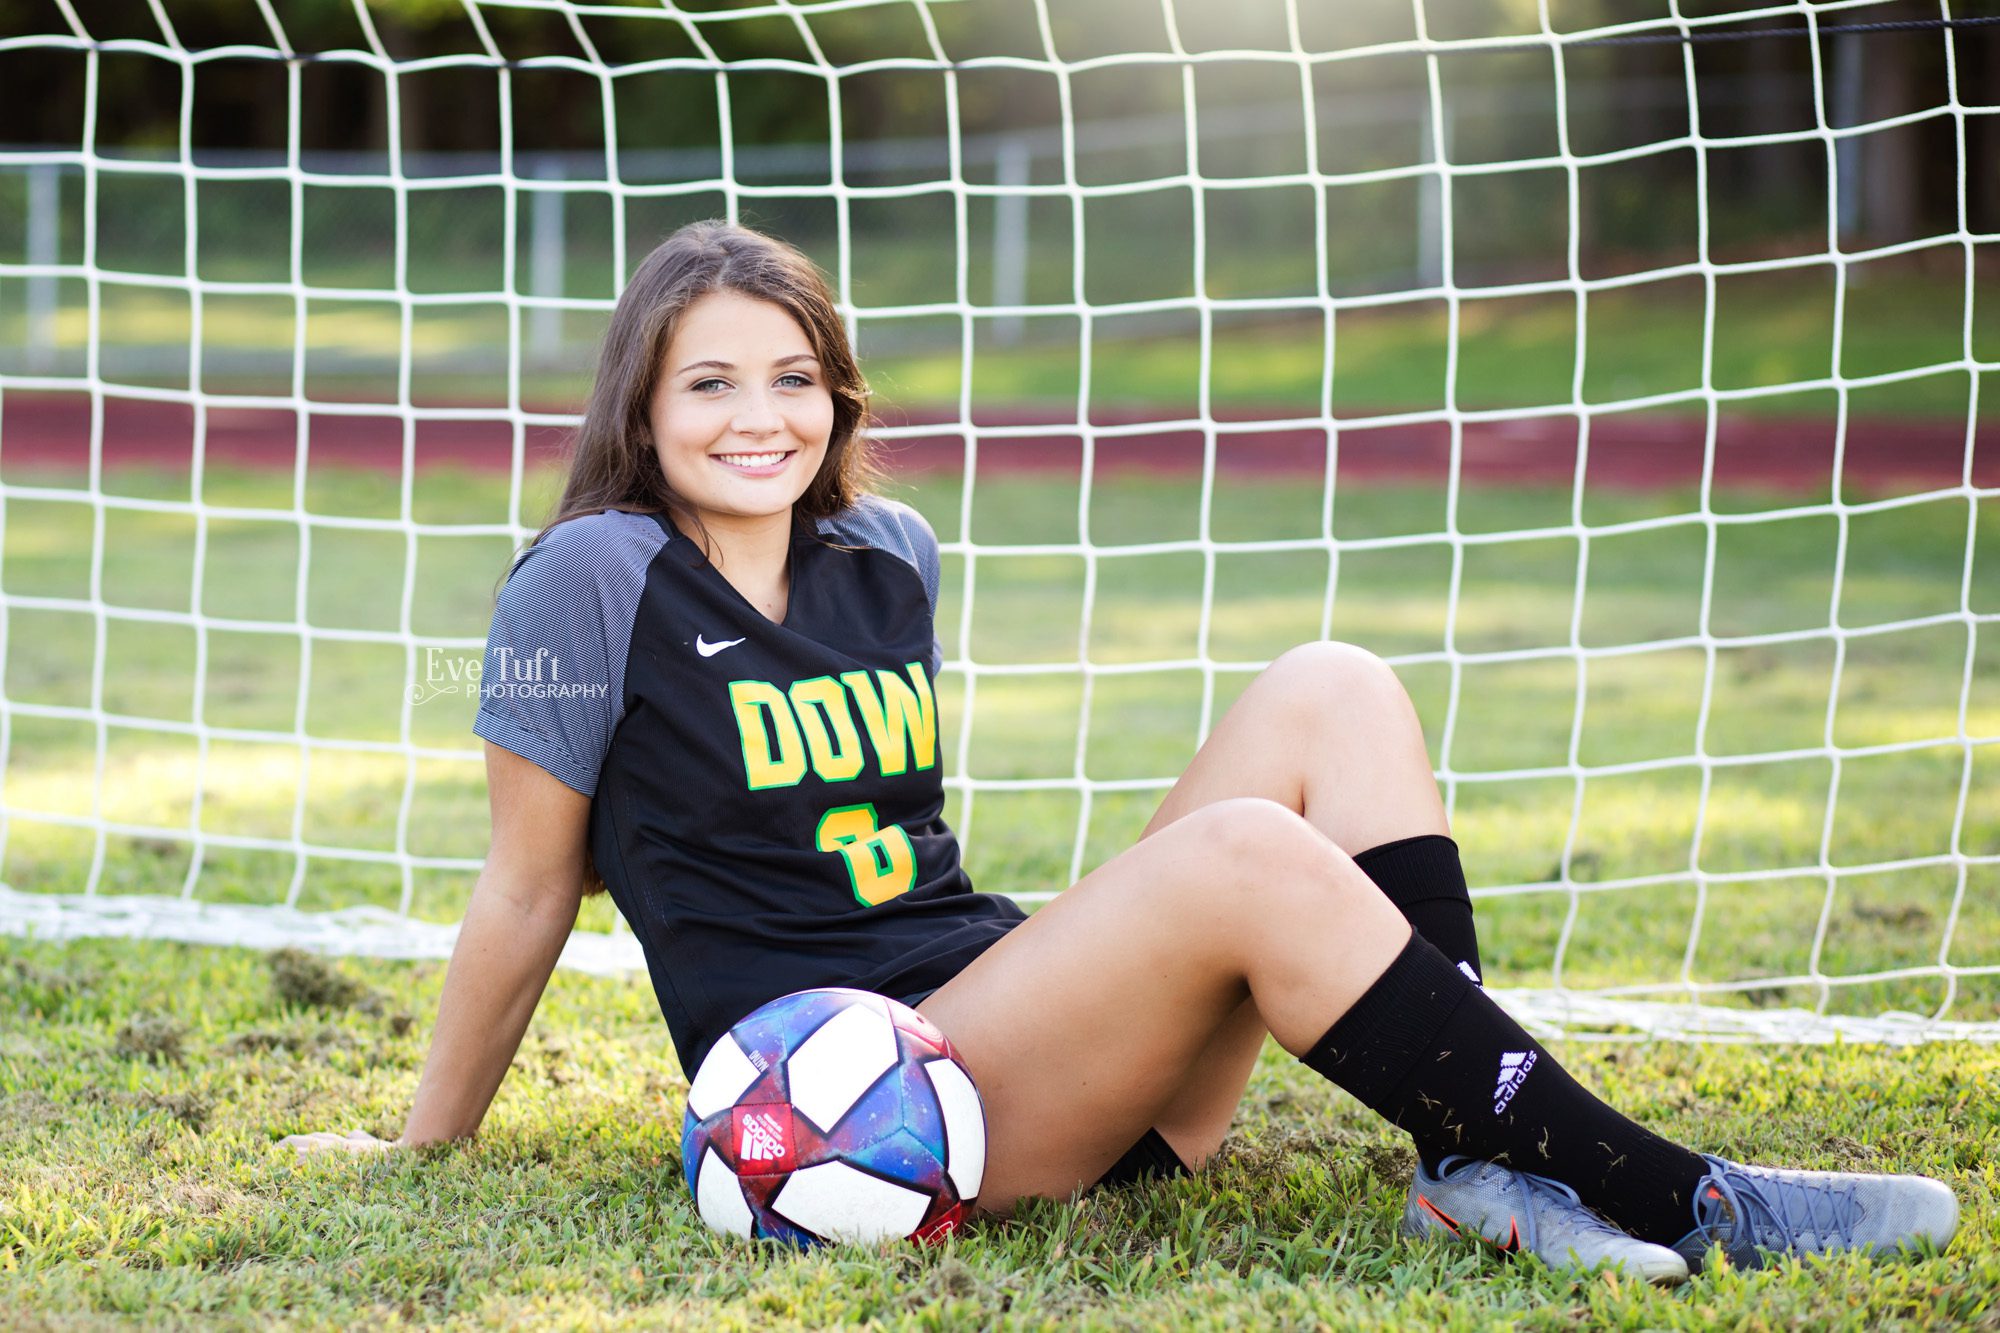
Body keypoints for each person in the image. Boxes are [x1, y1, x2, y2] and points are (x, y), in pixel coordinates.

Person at [280, 221, 1958, 1283]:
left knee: (1332, 683)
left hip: (1030, 1035)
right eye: (707, 382)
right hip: (873, 1101)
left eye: (793, 377)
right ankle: (1684, 1195)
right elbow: (524, 891)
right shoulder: (587, 577)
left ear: (838, 393)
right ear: (639, 408)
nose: (757, 416)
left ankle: (1472, 1164)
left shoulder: (891, 551)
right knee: (1239, 860)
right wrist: (424, 1145)